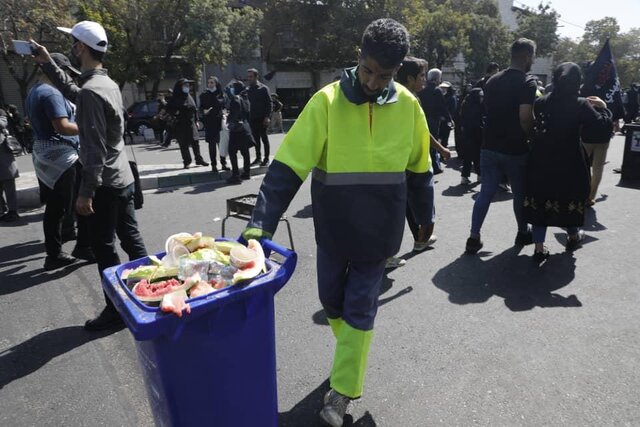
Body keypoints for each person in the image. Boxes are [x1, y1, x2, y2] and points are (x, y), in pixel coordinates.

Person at [242, 19, 431, 426]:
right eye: (368, 71)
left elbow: (419, 171)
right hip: (334, 230)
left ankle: (341, 392)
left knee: (361, 307)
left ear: (397, 71)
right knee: (333, 303)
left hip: (380, 234)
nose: (375, 82)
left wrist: (425, 218)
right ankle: (353, 352)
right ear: (358, 57)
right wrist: (261, 224)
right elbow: (287, 168)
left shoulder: (409, 107)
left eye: (385, 76)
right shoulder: (325, 103)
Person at [32, 20, 148, 331]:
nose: (72, 49)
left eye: (73, 44)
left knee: (104, 247)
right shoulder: (106, 84)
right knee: (132, 240)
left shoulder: (91, 92)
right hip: (122, 177)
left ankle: (115, 310)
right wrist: (48, 63)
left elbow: (93, 151)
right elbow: (74, 90)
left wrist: (85, 194)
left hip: (105, 184)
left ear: (81, 48)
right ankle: (150, 295)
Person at [524, 63, 612, 262]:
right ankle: (573, 236)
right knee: (569, 197)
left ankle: (538, 247)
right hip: (569, 160)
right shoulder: (581, 103)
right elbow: (601, 127)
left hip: (542, 159)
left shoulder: (542, 102)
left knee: (541, 199)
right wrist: (604, 107)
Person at [465, 38, 538, 254]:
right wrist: (531, 136)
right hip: (515, 148)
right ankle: (522, 232)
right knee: (519, 193)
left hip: (489, 145)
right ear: (527, 56)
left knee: (485, 191)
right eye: (533, 56)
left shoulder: (492, 81)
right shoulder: (527, 82)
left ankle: (473, 236)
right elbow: (525, 117)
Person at [26, 52, 94, 270]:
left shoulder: (34, 90)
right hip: (62, 157)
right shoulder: (51, 93)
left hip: (46, 154)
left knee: (57, 206)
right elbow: (62, 126)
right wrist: (91, 128)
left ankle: (67, 247)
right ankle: (59, 253)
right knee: (71, 204)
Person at [167, 78, 208, 169]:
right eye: (185, 85)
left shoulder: (189, 96)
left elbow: (194, 109)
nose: (187, 87)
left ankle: (199, 159)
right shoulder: (175, 97)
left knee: (195, 142)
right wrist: (175, 113)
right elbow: (169, 109)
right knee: (183, 144)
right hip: (181, 124)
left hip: (191, 122)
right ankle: (187, 161)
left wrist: (196, 120)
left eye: (188, 85)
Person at [417, 68, 450, 174]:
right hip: (434, 119)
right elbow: (443, 107)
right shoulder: (437, 90)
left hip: (423, 117)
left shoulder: (422, 89)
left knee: (425, 140)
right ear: (437, 78)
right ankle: (435, 166)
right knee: (433, 142)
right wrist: (449, 119)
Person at [225, 81, 254, 184]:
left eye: (233, 87)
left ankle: (235, 175)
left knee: (232, 151)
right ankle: (246, 172)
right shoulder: (246, 98)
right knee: (245, 151)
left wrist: (231, 121)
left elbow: (236, 109)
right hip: (245, 128)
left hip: (237, 129)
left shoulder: (236, 98)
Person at [199, 76, 227, 175]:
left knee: (222, 144)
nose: (210, 84)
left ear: (216, 83)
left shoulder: (221, 94)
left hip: (220, 122)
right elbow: (200, 108)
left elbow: (224, 106)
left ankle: (223, 163)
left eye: (212, 83)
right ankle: (214, 165)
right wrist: (204, 112)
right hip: (210, 123)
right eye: (209, 83)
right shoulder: (204, 95)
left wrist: (225, 112)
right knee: (212, 145)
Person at [246, 68, 272, 166]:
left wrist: (267, 117)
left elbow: (269, 103)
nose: (249, 79)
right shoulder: (248, 90)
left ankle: (266, 158)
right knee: (255, 140)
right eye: (248, 77)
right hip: (252, 119)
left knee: (264, 138)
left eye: (251, 77)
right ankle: (258, 158)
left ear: (257, 77)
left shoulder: (264, 88)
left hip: (262, 118)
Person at [459, 88, 484, 185]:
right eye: (481, 96)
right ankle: (480, 175)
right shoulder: (476, 107)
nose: (482, 98)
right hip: (475, 134)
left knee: (468, 157)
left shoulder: (466, 104)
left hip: (466, 134)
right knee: (477, 156)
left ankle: (465, 177)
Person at [0, 107, 20, 222]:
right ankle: (2, 210)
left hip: (3, 155)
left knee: (9, 184)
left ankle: (13, 211)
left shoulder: (1, 112)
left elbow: (3, 123)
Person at [438, 81, 456, 148]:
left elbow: (452, 111)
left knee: (445, 138)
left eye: (445, 88)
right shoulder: (439, 96)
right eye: (442, 88)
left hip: (447, 121)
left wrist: (446, 118)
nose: (443, 89)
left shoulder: (451, 98)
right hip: (439, 121)